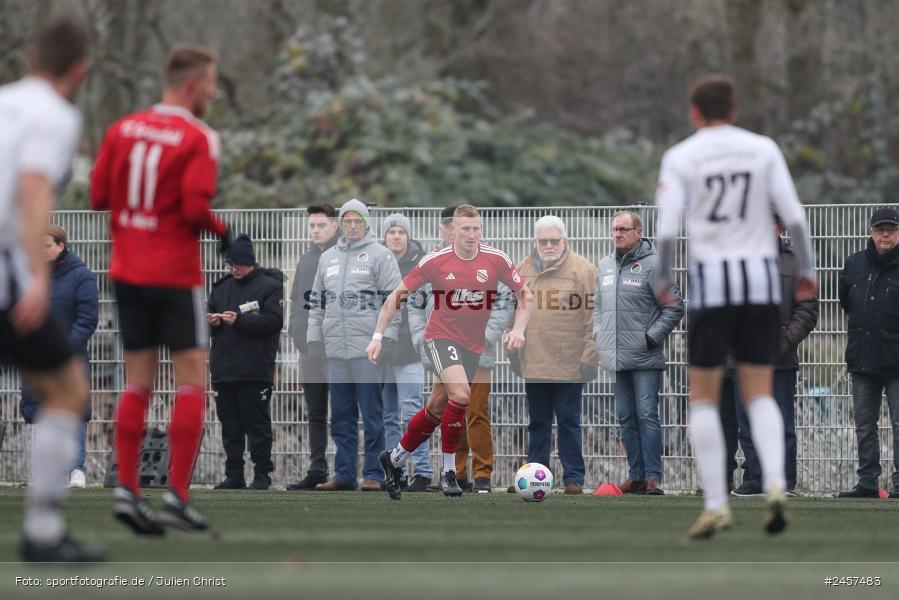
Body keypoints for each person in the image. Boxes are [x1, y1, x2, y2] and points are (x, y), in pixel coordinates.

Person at [655, 75, 816, 538]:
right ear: (735, 107)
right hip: (760, 288)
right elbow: (797, 218)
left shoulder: (681, 156)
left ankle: (716, 505)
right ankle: (776, 484)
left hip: (712, 289)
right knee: (760, 392)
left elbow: (666, 231)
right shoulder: (762, 148)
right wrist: (805, 270)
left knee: (703, 398)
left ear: (694, 112)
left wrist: (664, 277)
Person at [91, 46, 232, 534]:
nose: (214, 91)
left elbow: (97, 197)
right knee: (193, 380)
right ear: (193, 84)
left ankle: (127, 489)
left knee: (136, 382)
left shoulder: (121, 129)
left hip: (126, 272)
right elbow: (194, 207)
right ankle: (176, 493)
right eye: (211, 83)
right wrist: (224, 232)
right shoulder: (199, 136)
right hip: (174, 275)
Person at [0, 17, 105, 561]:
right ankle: (42, 532)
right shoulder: (56, 114)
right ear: (80, 69)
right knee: (65, 389)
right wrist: (37, 276)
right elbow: (35, 186)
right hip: (8, 274)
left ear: (29, 58)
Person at [369, 204, 533, 500]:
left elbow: (525, 294)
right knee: (461, 396)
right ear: (452, 231)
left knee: (435, 408)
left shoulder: (495, 259)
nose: (471, 234)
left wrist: (519, 328)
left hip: (473, 345)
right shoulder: (435, 261)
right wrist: (378, 335)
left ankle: (393, 459)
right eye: (465, 229)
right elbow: (397, 296)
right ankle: (448, 471)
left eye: (476, 229)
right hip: (439, 338)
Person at [409, 205, 513, 493]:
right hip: (443, 348)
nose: (451, 230)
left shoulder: (490, 260)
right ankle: (456, 473)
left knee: (476, 411)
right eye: (447, 225)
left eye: (459, 226)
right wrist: (420, 336)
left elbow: (505, 302)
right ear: (446, 229)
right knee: (448, 408)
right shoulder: (432, 262)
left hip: (478, 350)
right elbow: (414, 304)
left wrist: (485, 336)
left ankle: (482, 474)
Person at [306, 199, 401, 491]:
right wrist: (314, 338)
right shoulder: (328, 258)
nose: (351, 225)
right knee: (341, 416)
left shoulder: (381, 255)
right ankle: (344, 475)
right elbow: (317, 303)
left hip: (367, 351)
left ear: (366, 222)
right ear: (340, 224)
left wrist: (387, 338)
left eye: (357, 220)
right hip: (335, 350)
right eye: (347, 220)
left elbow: (395, 299)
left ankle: (374, 474)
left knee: (373, 415)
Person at [594, 210, 684, 496]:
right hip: (616, 358)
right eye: (614, 229)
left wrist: (650, 337)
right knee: (625, 418)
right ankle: (636, 477)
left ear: (638, 232)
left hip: (645, 357)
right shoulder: (605, 265)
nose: (617, 234)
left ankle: (654, 478)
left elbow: (674, 307)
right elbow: (597, 308)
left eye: (623, 229)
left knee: (646, 414)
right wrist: (599, 334)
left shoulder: (655, 265)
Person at [729, 215, 819, 497]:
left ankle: (784, 481)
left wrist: (781, 342)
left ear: (779, 227)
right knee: (747, 423)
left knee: (782, 424)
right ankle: (754, 479)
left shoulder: (797, 262)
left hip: (780, 359)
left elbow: (806, 311)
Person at [513, 215, 598, 495]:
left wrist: (589, 357)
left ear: (564, 240)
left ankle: (574, 478)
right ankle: (536, 475)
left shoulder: (583, 270)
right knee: (537, 423)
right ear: (535, 242)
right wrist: (513, 351)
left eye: (554, 241)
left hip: (569, 363)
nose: (548, 246)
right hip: (534, 362)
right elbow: (512, 314)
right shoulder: (522, 269)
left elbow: (594, 318)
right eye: (543, 241)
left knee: (568, 422)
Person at [20, 225, 99, 489]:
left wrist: (62, 350)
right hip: (38, 358)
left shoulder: (82, 276)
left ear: (61, 246)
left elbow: (87, 321)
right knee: (42, 415)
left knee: (72, 414)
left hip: (68, 360)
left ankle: (76, 471)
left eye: (46, 246)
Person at [208, 234, 284, 491]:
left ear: (249, 262)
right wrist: (213, 323)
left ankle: (262, 475)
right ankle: (234, 475)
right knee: (230, 426)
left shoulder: (269, 286)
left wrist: (240, 321)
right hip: (224, 369)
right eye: (229, 265)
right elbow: (208, 323)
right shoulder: (220, 288)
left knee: (257, 425)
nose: (233, 269)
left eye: (237, 265)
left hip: (254, 369)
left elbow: (274, 322)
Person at [837, 207, 899, 499]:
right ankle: (867, 483)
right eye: (880, 228)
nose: (885, 234)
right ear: (871, 232)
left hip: (896, 360)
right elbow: (847, 302)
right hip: (862, 358)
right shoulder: (853, 264)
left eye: (891, 228)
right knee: (864, 425)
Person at [287, 204, 338, 490]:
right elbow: (296, 299)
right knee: (315, 412)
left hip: (338, 351)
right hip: (309, 350)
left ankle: (346, 471)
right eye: (312, 226)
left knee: (344, 412)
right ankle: (317, 469)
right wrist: (297, 332)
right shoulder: (305, 260)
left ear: (334, 227)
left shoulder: (343, 257)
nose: (315, 230)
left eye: (321, 225)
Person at [380, 213, 433, 492]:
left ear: (408, 235)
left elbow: (420, 308)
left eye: (401, 232)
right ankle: (395, 470)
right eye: (392, 232)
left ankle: (423, 472)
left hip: (409, 352)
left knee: (413, 412)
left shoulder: (420, 264)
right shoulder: (378, 262)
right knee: (388, 415)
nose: (396, 236)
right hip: (383, 353)